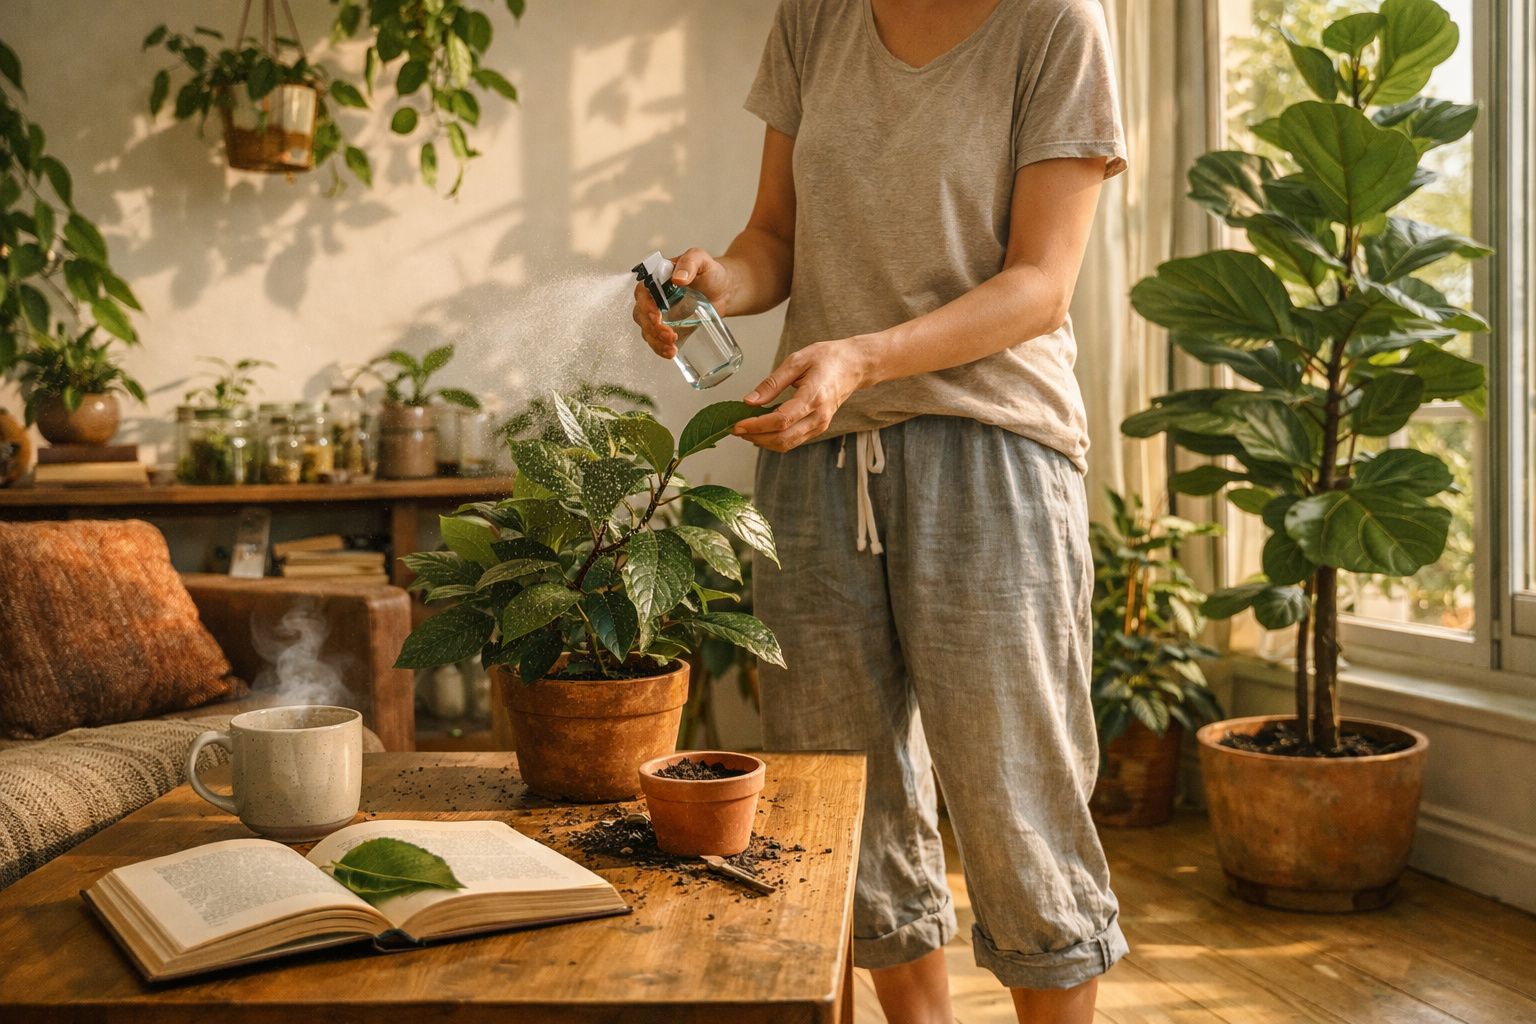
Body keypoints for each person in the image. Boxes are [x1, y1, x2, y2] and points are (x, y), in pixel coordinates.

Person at [632, 1, 1128, 1020]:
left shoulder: (1055, 24)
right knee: (847, 804)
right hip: (817, 458)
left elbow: (1040, 283)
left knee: (1016, 804)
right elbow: (776, 239)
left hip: (992, 451)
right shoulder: (816, 18)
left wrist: (864, 356)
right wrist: (715, 283)